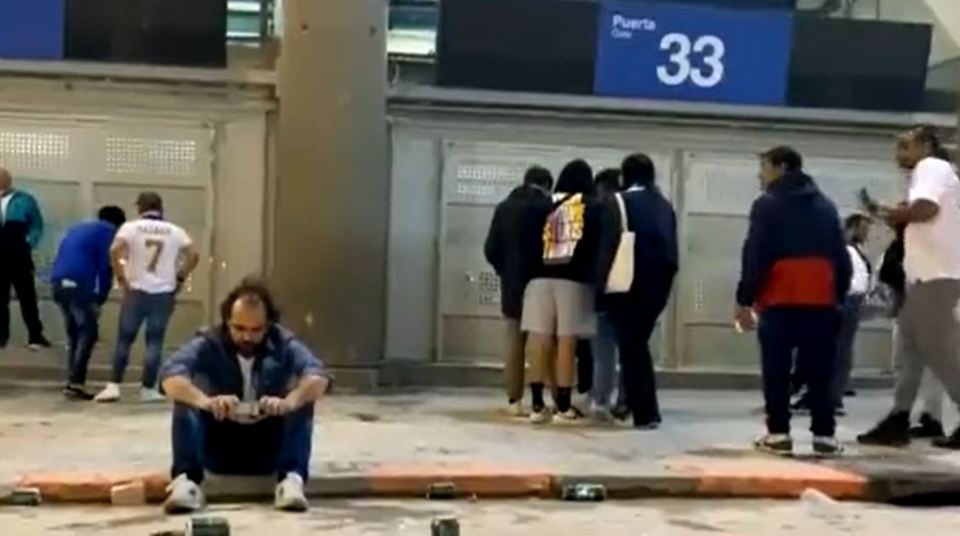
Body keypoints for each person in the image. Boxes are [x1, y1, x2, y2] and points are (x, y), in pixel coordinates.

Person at [160, 278, 330, 514]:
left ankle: (291, 481)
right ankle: (186, 482)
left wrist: (287, 402)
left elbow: (318, 376)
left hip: (268, 450)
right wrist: (207, 402)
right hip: (219, 447)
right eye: (239, 329)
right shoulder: (209, 342)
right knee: (185, 398)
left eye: (256, 330)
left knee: (303, 399)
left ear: (269, 325)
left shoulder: (283, 342)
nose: (247, 337)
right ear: (227, 322)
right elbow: (170, 376)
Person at [735, 146, 851, 457]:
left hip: (780, 298)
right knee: (820, 371)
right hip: (821, 300)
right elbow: (841, 258)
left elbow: (755, 253)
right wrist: (836, 297)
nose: (761, 175)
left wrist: (744, 299)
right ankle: (824, 436)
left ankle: (779, 434)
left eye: (765, 167)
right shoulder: (826, 206)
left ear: (782, 167)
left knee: (776, 369)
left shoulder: (767, 205)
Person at [858, 125, 960, 449]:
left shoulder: (932, 167)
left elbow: (924, 210)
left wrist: (895, 212)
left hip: (937, 276)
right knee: (910, 352)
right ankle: (899, 418)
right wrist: (891, 213)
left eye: (905, 147)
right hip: (922, 278)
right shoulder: (933, 174)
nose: (899, 156)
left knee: (940, 350)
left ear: (926, 146)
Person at [596, 154, 678, 429]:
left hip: (625, 286)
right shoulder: (664, 205)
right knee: (638, 347)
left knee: (632, 349)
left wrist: (600, 292)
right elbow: (671, 255)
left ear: (625, 175)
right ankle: (641, 408)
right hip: (657, 289)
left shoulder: (618, 203)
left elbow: (608, 250)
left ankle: (645, 412)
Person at [95, 192, 200, 403]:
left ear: (140, 208)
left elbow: (115, 250)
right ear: (160, 208)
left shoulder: (131, 227)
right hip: (163, 292)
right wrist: (180, 278)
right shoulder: (175, 231)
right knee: (154, 342)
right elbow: (193, 254)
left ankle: (114, 386)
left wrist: (121, 277)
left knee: (125, 339)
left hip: (136, 289)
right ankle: (148, 388)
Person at [522, 159, 599, 424]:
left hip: (537, 278)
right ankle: (563, 406)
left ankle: (535, 405)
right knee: (567, 341)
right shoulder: (590, 206)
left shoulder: (540, 205)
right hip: (573, 280)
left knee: (538, 340)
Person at [484, 166, 554, 416]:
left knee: (514, 342)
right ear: (546, 184)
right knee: (541, 341)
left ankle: (514, 399)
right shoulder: (548, 208)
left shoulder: (504, 207)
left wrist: (506, 271)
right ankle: (546, 399)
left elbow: (490, 248)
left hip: (512, 284)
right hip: (542, 282)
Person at [50, 206, 127, 400]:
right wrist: (100, 297)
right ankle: (75, 382)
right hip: (79, 285)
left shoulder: (78, 229)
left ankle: (73, 380)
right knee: (88, 333)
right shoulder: (108, 234)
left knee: (76, 334)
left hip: (59, 283)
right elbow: (105, 266)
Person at [0, 167, 50, 350]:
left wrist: (29, 241)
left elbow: (37, 224)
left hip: (19, 252)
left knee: (27, 296)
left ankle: (35, 335)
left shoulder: (24, 199)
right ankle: (2, 336)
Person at [589, 168, 624, 420]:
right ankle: (624, 400)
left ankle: (600, 398)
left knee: (603, 349)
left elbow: (597, 251)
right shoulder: (631, 209)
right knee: (630, 349)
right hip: (633, 286)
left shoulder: (600, 209)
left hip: (606, 284)